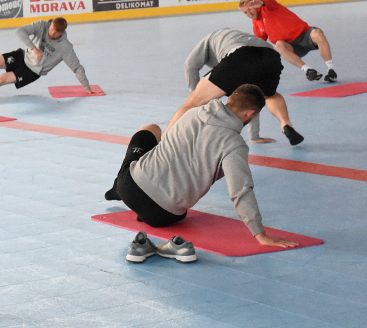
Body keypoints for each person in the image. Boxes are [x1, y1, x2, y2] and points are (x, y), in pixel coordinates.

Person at [106, 85, 300, 263]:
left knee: (150, 129)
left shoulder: (194, 113)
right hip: (162, 215)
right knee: (223, 167)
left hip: (129, 187)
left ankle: (118, 189)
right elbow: (240, 190)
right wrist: (260, 234)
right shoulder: (234, 145)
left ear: (230, 98)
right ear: (251, 113)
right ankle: (140, 206)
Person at [166, 29, 303, 146]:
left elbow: (190, 66)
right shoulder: (237, 36)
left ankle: (164, 142)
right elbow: (253, 102)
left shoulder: (209, 39)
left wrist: (196, 94)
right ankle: (286, 125)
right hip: (271, 58)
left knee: (193, 101)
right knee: (267, 95)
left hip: (241, 55)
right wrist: (254, 136)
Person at [0, 17, 96, 99]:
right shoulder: (43, 25)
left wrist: (87, 87)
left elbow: (77, 67)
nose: (50, 33)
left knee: (0, 79)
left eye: (54, 33)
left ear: (61, 33)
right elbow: (20, 31)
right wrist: (34, 48)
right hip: (23, 55)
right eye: (50, 29)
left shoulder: (66, 47)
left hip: (31, 71)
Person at [239, 0, 338, 82]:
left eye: (250, 9)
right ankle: (308, 70)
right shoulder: (256, 24)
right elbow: (260, 44)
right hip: (291, 46)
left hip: (305, 35)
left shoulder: (268, 7)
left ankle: (331, 70)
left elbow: (269, 1)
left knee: (317, 33)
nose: (249, 14)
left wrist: (262, 2)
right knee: (278, 46)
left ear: (256, 6)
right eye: (245, 12)